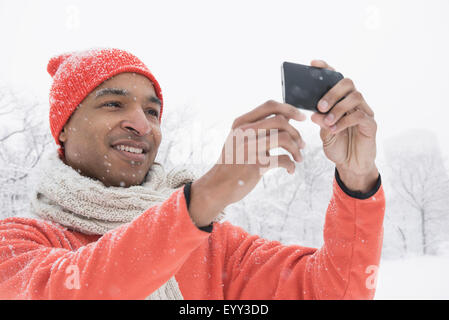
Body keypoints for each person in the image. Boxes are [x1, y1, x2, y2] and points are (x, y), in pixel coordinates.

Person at [0, 48, 385, 300]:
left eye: (152, 112)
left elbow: (333, 292)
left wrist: (357, 179)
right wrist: (206, 195)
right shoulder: (18, 243)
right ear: (63, 128)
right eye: (114, 104)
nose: (141, 124)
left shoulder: (215, 245)